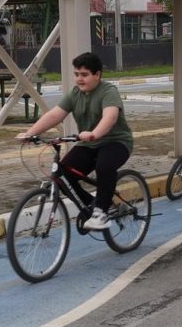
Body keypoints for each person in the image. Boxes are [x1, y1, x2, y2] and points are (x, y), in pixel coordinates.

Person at [16, 52, 133, 230]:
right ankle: (94, 204)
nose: (79, 79)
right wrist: (30, 133)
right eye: (77, 74)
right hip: (88, 144)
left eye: (84, 75)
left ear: (97, 75)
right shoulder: (75, 94)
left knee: (104, 166)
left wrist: (94, 133)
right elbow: (55, 114)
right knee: (63, 176)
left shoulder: (108, 91)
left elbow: (110, 117)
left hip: (116, 142)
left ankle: (101, 212)